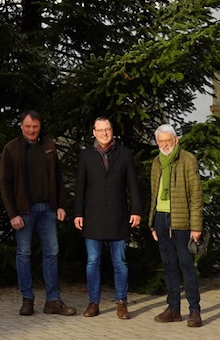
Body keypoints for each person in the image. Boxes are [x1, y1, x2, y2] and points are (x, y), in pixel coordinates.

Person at [0, 110, 75, 316]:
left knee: (52, 252)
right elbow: (5, 184)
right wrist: (12, 214)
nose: (32, 130)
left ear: (40, 127)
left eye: (35, 127)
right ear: (21, 126)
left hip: (48, 209)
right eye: (28, 126)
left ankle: (53, 301)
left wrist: (61, 205)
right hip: (23, 211)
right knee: (23, 253)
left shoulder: (49, 146)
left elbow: (58, 177)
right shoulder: (11, 149)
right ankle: (27, 299)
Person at [72, 116, 142, 319]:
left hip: (118, 216)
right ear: (94, 132)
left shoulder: (124, 154)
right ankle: (93, 303)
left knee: (120, 262)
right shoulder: (86, 155)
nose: (104, 133)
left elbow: (133, 185)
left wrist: (136, 210)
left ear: (112, 130)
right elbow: (80, 187)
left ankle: (121, 302)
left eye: (107, 129)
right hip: (93, 216)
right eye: (100, 130)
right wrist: (78, 213)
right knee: (92, 262)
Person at [147, 124, 204, 327]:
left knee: (186, 265)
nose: (164, 145)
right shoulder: (157, 162)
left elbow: (196, 195)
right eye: (160, 141)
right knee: (168, 265)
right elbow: (154, 195)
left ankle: (195, 311)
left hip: (181, 221)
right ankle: (173, 309)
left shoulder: (188, 159)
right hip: (161, 219)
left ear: (175, 140)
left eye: (167, 141)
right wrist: (152, 223)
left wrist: (196, 226)